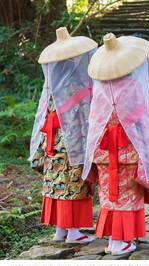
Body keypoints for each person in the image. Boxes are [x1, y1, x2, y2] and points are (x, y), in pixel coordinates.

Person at [82, 33, 149, 255]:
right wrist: (148, 150)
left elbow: (95, 121)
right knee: (127, 195)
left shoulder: (100, 88)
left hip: (104, 150)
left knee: (109, 194)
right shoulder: (132, 86)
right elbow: (142, 121)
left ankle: (112, 239)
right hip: (127, 150)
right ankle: (119, 241)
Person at [29, 27, 98, 243]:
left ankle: (60, 229)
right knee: (74, 182)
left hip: (52, 142)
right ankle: (74, 231)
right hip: (73, 142)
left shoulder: (52, 88)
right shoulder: (77, 85)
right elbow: (87, 116)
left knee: (56, 181)